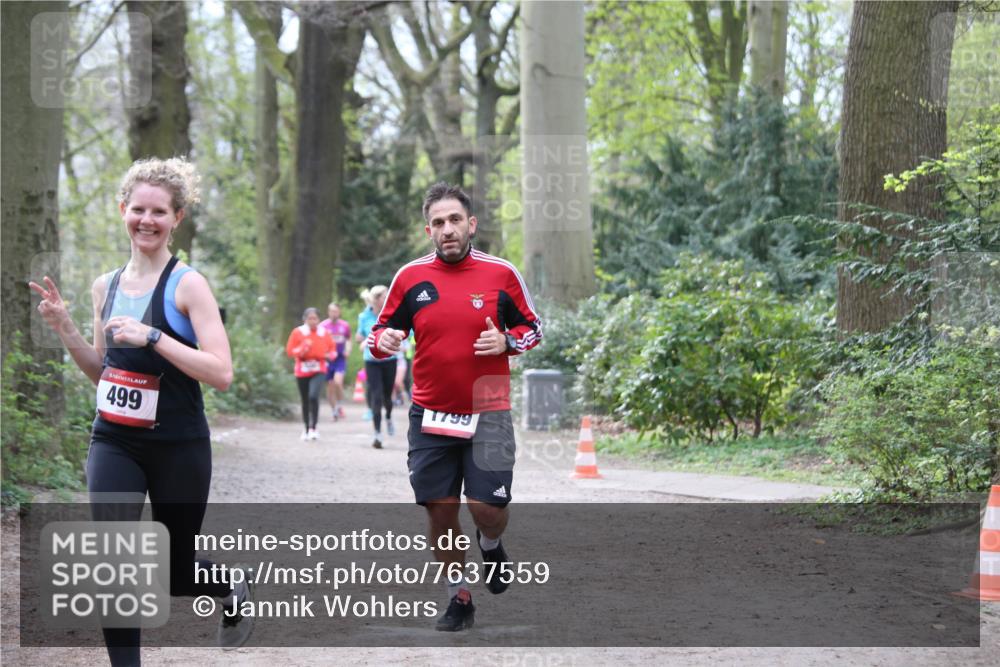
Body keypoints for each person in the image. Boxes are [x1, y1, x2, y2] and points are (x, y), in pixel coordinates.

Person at [29, 157, 253, 664]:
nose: (146, 220)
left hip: (178, 443)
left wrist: (154, 336)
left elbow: (220, 371)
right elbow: (104, 373)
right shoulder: (104, 287)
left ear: (177, 217)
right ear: (122, 210)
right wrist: (65, 327)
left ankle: (229, 585)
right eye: (138, 209)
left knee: (175, 571)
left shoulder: (187, 285)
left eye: (159, 211)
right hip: (115, 439)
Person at [367, 182, 542, 632]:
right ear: (429, 230)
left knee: (486, 507)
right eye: (439, 223)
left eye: (455, 220)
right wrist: (384, 341)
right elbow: (382, 333)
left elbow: (534, 330)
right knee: (440, 510)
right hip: (430, 414)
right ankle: (459, 597)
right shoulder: (409, 278)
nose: (448, 229)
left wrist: (508, 340)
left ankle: (490, 543)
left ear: (471, 224)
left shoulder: (501, 273)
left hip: (489, 409)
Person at [286, 307, 336, 440]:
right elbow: (290, 351)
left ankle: (314, 427)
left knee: (313, 396)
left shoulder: (324, 333)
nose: (312, 321)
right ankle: (306, 428)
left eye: (315, 318)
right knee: (305, 400)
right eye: (310, 318)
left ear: (319, 319)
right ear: (304, 319)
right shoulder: (298, 332)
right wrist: (302, 349)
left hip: (319, 368)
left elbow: (332, 350)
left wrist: (329, 355)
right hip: (302, 370)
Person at [356, 285, 397, 448]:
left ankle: (388, 417)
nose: (387, 298)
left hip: (389, 360)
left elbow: (401, 332)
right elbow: (359, 336)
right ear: (377, 299)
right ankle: (378, 434)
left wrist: (402, 342)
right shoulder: (364, 316)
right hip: (371, 361)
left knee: (387, 396)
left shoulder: (391, 313)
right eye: (384, 296)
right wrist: (363, 340)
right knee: (376, 396)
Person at [320, 302, 352, 420]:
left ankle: (339, 405)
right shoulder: (323, 326)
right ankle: (333, 410)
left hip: (340, 358)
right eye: (332, 311)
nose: (334, 314)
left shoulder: (344, 325)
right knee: (330, 385)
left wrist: (348, 349)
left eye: (336, 311)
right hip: (328, 359)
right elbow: (319, 342)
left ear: (339, 312)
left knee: (338, 382)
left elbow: (348, 339)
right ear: (328, 312)